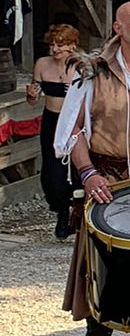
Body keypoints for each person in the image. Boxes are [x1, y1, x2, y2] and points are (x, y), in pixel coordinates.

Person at [55, 0, 130, 336]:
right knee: (100, 259)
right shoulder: (91, 71)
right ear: (118, 28)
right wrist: (88, 173)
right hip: (108, 179)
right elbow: (72, 129)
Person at [28, 22, 81, 239]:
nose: (55, 49)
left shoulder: (81, 66)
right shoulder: (42, 64)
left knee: (77, 168)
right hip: (52, 119)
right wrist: (32, 95)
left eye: (60, 45)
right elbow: (33, 99)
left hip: (75, 121)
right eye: (52, 45)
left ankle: (79, 212)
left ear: (72, 46)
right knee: (52, 171)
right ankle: (61, 211)